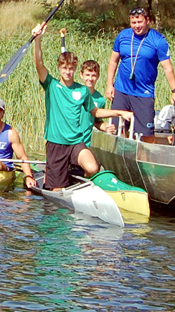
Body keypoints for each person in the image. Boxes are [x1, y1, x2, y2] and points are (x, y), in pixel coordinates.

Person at [32, 23, 134, 191]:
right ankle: (61, 178)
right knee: (57, 191)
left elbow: (95, 112)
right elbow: (39, 64)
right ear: (59, 68)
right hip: (56, 144)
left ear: (75, 70)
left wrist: (120, 112)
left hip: (76, 143)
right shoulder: (51, 85)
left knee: (93, 168)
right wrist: (38, 39)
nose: (67, 72)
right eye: (64, 68)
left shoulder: (82, 90)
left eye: (71, 68)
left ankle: (75, 176)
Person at [105, 7, 175, 143]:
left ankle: (149, 160)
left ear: (147, 21)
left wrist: (174, 90)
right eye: (133, 22)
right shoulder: (123, 36)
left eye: (139, 22)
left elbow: (167, 68)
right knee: (118, 130)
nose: (137, 26)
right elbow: (113, 61)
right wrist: (109, 84)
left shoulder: (158, 40)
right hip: (122, 89)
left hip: (143, 92)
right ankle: (124, 159)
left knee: (146, 134)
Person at [80, 60, 116, 135]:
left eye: (93, 75)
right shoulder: (74, 93)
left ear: (98, 76)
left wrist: (106, 128)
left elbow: (97, 121)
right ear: (81, 75)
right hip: (69, 137)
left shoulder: (100, 100)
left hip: (85, 139)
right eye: (87, 75)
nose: (90, 78)